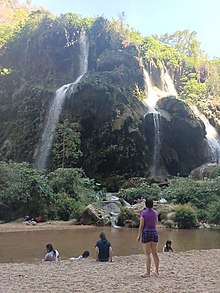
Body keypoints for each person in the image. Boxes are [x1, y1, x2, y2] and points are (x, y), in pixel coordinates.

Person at [137, 198, 159, 277]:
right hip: (154, 232)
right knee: (155, 253)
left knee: (147, 254)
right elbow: (156, 223)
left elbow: (141, 225)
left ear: (146, 204)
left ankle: (148, 272)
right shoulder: (155, 213)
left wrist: (139, 235)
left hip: (146, 232)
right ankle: (156, 271)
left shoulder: (143, 213)